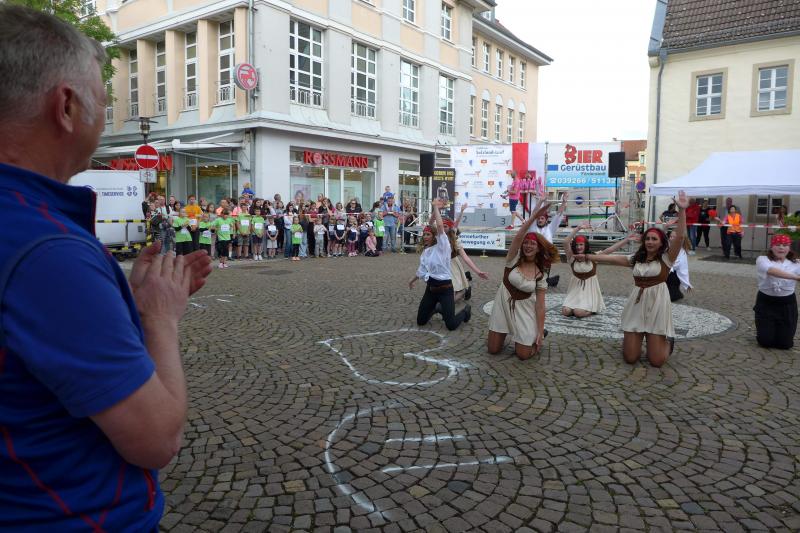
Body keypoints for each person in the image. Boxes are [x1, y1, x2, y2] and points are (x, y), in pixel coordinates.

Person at [0, 6, 213, 531]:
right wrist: (158, 317)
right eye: (102, 98)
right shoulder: (46, 250)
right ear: (66, 106)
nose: (104, 111)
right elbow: (157, 438)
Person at [585, 190, 690, 367]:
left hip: (657, 304)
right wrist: (587, 257)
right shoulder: (636, 258)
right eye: (647, 239)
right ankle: (636, 338)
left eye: (654, 239)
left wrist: (682, 210)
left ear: (661, 242)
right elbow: (610, 259)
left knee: (656, 361)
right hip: (636, 304)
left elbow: (679, 237)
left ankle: (667, 342)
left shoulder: (666, 258)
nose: (650, 242)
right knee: (631, 358)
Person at [487, 199, 556, 359]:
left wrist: (540, 331)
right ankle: (510, 335)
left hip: (525, 312)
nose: (528, 246)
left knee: (523, 355)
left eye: (532, 244)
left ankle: (534, 335)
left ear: (538, 248)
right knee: (493, 349)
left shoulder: (541, 273)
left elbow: (540, 305)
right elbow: (518, 236)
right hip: (503, 307)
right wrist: (533, 217)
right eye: (526, 243)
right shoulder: (513, 259)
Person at [409, 199, 472, 330]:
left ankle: (465, 312)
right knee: (421, 321)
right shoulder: (426, 252)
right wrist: (412, 280)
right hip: (431, 290)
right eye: (424, 235)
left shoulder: (443, 246)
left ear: (435, 236)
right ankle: (435, 308)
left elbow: (439, 226)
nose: (425, 237)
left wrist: (436, 208)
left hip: (445, 290)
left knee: (451, 325)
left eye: (428, 234)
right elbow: (421, 270)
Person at [754, 234, 800, 349]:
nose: (781, 248)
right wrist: (796, 277)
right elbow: (771, 271)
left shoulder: (796, 263)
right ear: (771, 247)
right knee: (765, 342)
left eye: (785, 245)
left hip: (787, 304)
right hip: (766, 302)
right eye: (778, 244)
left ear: (789, 248)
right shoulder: (762, 259)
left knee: (785, 344)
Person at [561, 222, 606, 318]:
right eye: (576, 245)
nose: (578, 247)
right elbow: (565, 242)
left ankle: (593, 309)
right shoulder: (572, 257)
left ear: (586, 245)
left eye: (581, 244)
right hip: (575, 291)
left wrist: (626, 240)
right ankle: (577, 307)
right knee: (565, 311)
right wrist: (578, 228)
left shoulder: (593, 257)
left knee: (578, 313)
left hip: (589, 292)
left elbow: (609, 250)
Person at [666, 231, 692, 302]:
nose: (671, 238)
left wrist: (686, 283)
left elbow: (683, 268)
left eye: (673, 237)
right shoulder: (668, 247)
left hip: (674, 274)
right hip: (668, 271)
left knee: (672, 288)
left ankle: (675, 294)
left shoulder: (682, 251)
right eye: (670, 236)